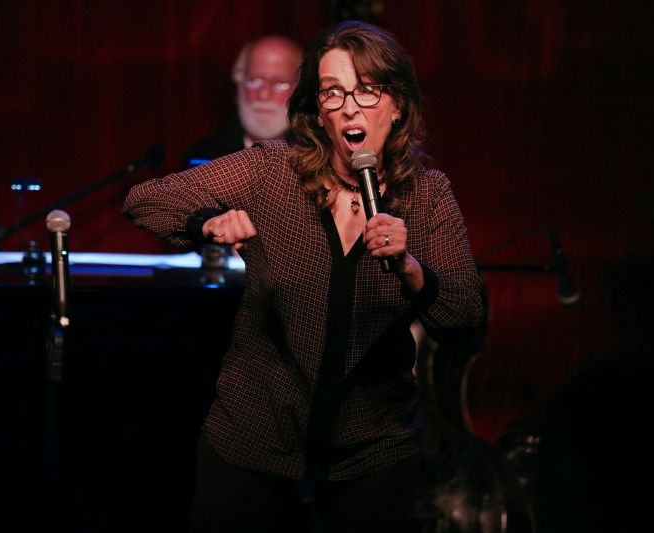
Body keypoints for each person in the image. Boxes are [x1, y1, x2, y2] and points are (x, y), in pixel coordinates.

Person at [124, 20, 484, 532]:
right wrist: (208, 221)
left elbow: (466, 317)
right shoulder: (274, 171)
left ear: (398, 105)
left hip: (372, 455)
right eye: (333, 92)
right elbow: (146, 200)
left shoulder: (427, 197)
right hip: (253, 446)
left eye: (367, 90)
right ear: (318, 110)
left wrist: (410, 269)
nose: (350, 107)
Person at [180, 35, 303, 169]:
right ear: (239, 84)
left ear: (301, 90)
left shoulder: (318, 160)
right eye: (255, 81)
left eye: (280, 83)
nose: (264, 94)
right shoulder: (202, 161)